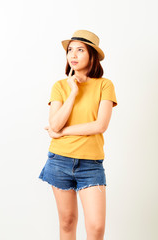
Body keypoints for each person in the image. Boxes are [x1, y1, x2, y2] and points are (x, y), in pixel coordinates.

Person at [38, 29, 118, 240]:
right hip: (59, 161)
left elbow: (100, 125)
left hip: (90, 165)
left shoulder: (104, 85)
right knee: (67, 223)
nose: (72, 55)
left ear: (92, 54)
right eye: (70, 50)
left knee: (96, 227)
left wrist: (61, 132)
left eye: (80, 50)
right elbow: (54, 122)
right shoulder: (60, 87)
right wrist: (73, 92)